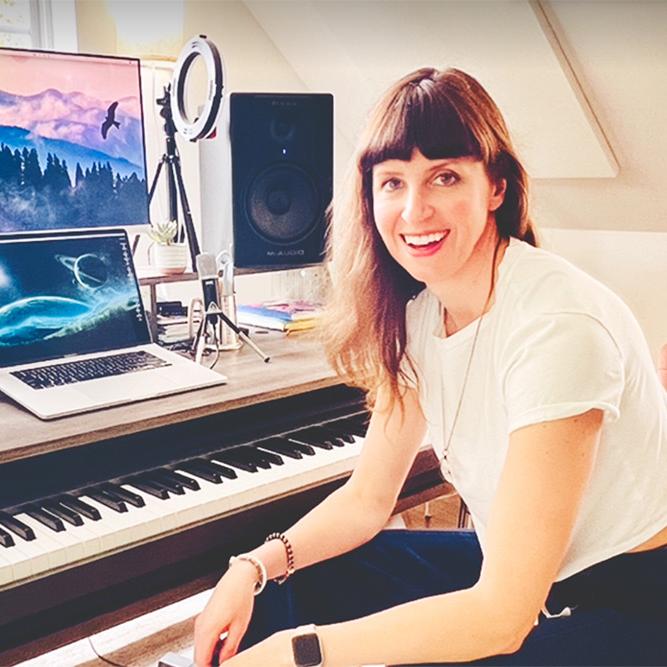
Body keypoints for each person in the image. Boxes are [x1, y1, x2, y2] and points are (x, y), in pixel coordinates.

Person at [193, 67, 667, 666]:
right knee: (299, 582)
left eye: (444, 177)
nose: (414, 210)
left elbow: (499, 619)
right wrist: (254, 567)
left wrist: (304, 653)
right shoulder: (420, 316)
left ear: (495, 186)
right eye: (392, 182)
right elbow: (368, 499)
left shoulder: (558, 325)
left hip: (625, 603)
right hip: (519, 576)